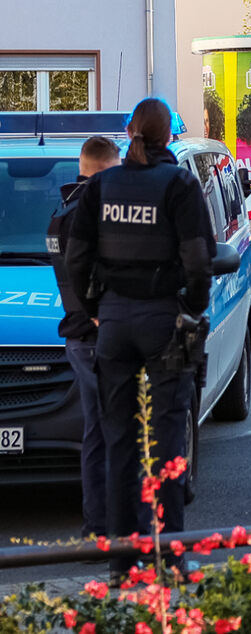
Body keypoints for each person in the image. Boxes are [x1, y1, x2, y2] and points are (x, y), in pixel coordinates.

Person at [65, 98, 216, 581]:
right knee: (167, 440)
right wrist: (190, 308)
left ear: (131, 131)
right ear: (168, 136)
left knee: (118, 443)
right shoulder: (178, 184)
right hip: (161, 320)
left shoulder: (103, 184)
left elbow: (75, 259)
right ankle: (170, 557)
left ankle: (120, 563)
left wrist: (97, 310)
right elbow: (198, 259)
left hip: (113, 325)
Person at [46, 136, 120, 539]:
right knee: (112, 431)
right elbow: (82, 273)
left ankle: (99, 524)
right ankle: (107, 526)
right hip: (95, 335)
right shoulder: (89, 212)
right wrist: (99, 314)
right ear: (107, 169)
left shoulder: (63, 208)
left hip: (79, 336)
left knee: (97, 433)